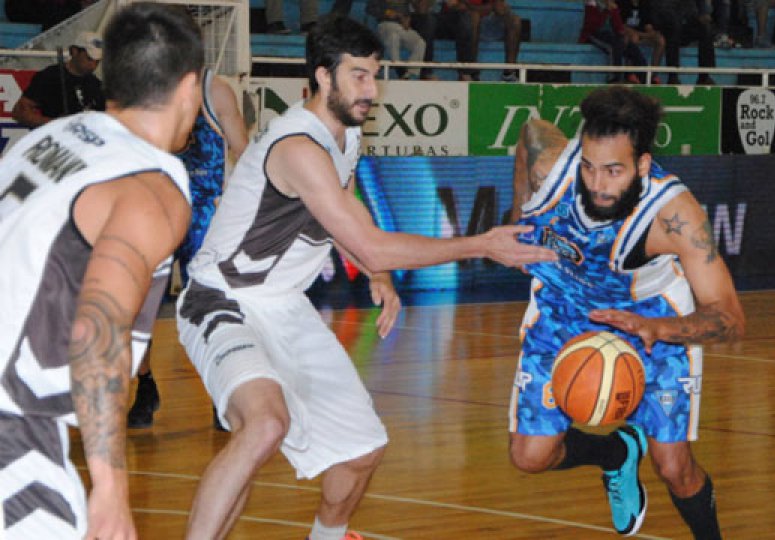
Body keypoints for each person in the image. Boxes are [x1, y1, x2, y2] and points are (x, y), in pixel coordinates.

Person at [174, 15, 554, 540]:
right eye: (358, 75)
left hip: (283, 305)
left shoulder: (345, 136)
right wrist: (482, 243)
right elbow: (370, 239)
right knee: (263, 424)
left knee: (362, 450)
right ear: (323, 76)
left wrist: (378, 272)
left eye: (375, 75)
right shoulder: (297, 146)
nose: (371, 90)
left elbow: (347, 209)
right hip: (223, 300)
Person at [0, 3, 203, 538]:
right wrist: (111, 491)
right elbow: (99, 332)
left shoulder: (42, 141)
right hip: (14, 436)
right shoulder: (151, 186)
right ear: (191, 89)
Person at [507, 86, 745, 537]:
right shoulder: (550, 165)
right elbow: (528, 134)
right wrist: (522, 216)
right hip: (564, 309)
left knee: (673, 467)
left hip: (650, 316)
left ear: (642, 165)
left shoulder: (674, 215)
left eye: (614, 171)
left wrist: (657, 328)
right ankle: (615, 453)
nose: (597, 184)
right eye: (590, 167)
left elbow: (730, 319)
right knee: (529, 457)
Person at [126, 68, 250, 430]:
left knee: (211, 310)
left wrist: (243, 208)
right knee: (140, 310)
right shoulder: (146, 86)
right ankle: (145, 385)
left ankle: (219, 392)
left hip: (205, 217)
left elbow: (243, 151)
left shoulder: (217, 91)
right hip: (157, 212)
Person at [11, 31, 106, 129]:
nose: (93, 65)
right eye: (89, 59)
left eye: (97, 61)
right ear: (74, 51)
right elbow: (19, 113)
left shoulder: (97, 84)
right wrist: (55, 124)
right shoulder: (50, 76)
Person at [443, 0, 522, 81]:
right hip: (460, 20)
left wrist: (471, 6)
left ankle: (509, 73)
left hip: (488, 19)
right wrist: (485, 8)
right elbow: (455, 6)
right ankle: (470, 71)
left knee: (514, 21)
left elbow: (499, 7)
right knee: (473, 17)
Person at [646, 0, 717, 85]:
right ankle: (673, 78)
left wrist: (703, 13)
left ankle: (704, 77)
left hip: (687, 19)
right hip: (666, 20)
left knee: (706, 29)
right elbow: (656, 7)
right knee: (674, 28)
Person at [579, 0, 649, 84]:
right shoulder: (592, 3)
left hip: (611, 35)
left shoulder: (612, 5)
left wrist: (623, 35)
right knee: (615, 46)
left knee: (631, 47)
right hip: (593, 33)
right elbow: (593, 25)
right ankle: (614, 78)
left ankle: (644, 78)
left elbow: (618, 27)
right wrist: (607, 11)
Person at [410, 0, 476, 81]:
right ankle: (426, 72)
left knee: (464, 18)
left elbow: (462, 6)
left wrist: (455, 5)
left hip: (445, 18)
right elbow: (420, 9)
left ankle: (465, 72)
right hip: (421, 17)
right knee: (429, 20)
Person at [366, 0, 428, 79]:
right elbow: (369, 9)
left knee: (420, 43)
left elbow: (410, 10)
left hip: (402, 26)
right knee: (394, 35)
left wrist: (407, 18)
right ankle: (398, 66)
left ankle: (411, 73)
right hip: (385, 24)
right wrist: (388, 13)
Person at [617, 0, 667, 82]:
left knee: (660, 41)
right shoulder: (622, 4)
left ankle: (652, 75)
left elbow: (648, 26)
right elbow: (621, 26)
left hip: (641, 34)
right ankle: (630, 73)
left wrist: (649, 33)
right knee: (633, 38)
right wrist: (641, 34)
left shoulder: (645, 4)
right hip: (626, 34)